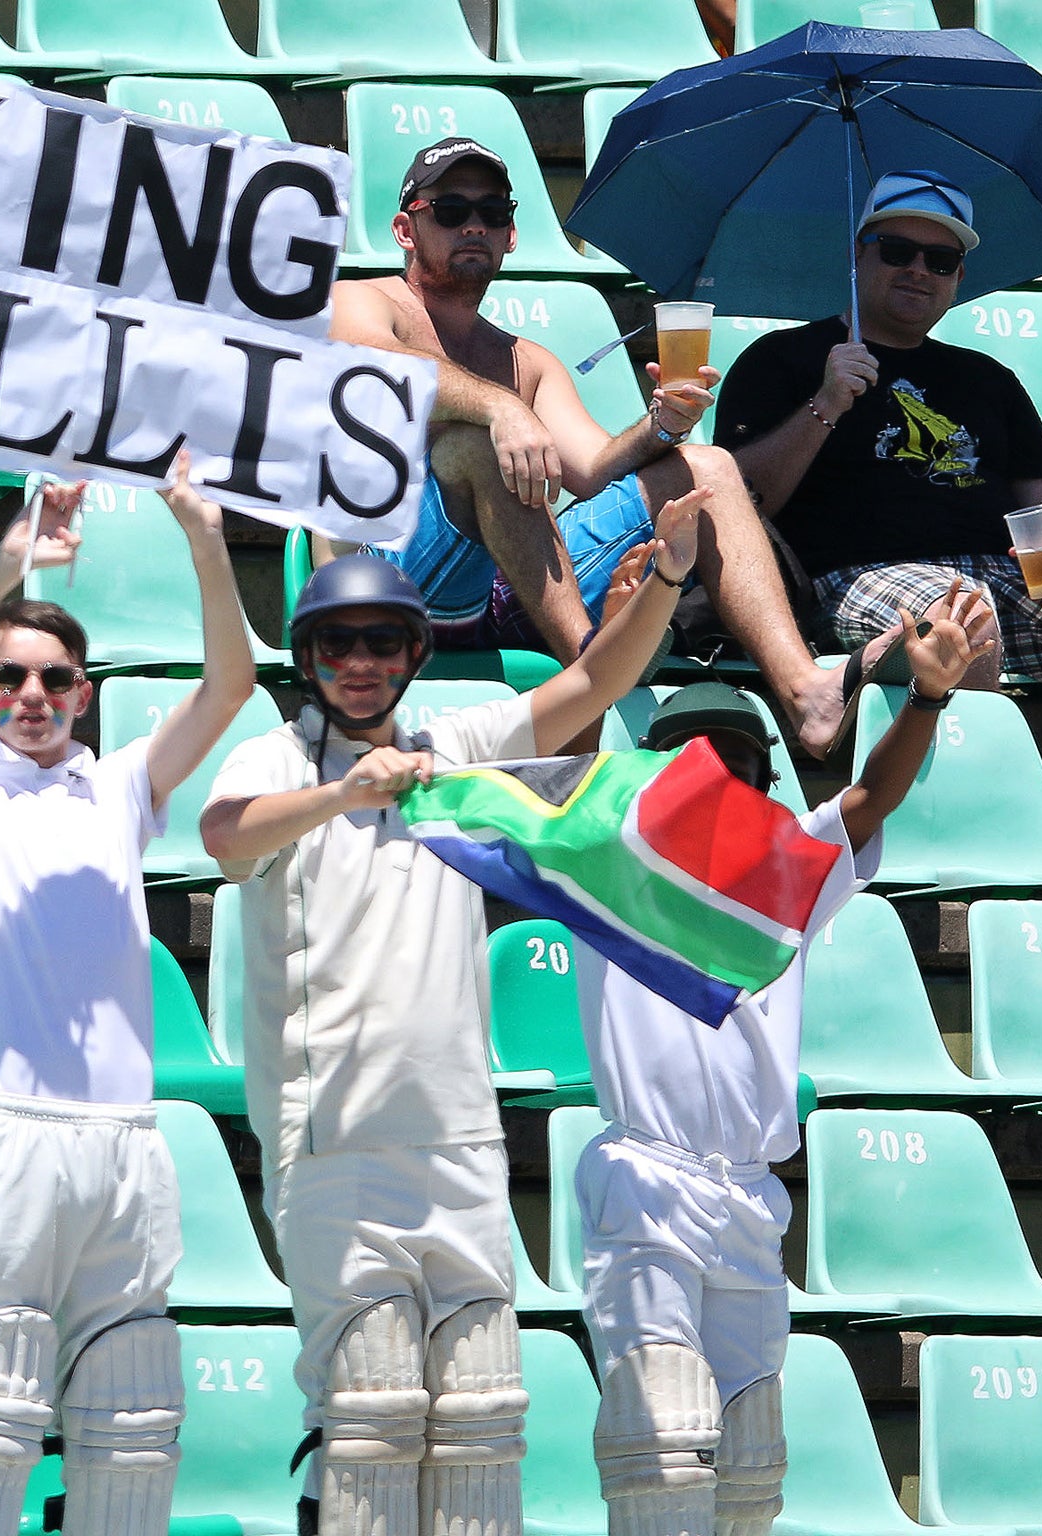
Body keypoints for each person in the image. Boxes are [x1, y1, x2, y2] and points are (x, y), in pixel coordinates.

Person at [200, 483, 703, 1536]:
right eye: (336, 644)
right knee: (372, 1410)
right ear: (306, 656)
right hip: (331, 1140)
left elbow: (599, 676)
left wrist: (665, 573)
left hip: (458, 1144)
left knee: (479, 1420)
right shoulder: (279, 758)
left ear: (413, 652)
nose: (360, 662)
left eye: (383, 640)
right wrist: (349, 793)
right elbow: (224, 836)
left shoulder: (454, 741)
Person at [0, 454, 254, 1536]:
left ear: (83, 694)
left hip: (126, 1144)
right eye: (8, 679)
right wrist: (9, 559)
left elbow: (230, 686)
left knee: (132, 1434)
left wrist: (201, 535)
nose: (31, 697)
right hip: (10, 1141)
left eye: (53, 680)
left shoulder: (119, 787)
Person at [571, 585, 987, 1536]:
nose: (720, 781)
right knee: (662, 1448)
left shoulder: (784, 867)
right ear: (656, 780)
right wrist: (626, 621)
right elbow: (562, 730)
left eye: (742, 766)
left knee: (749, 1468)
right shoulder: (606, 863)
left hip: (751, 1199)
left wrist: (924, 700)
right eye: (698, 762)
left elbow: (871, 796)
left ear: (762, 785)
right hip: (646, 1183)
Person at [326, 135, 862, 758]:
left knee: (707, 469)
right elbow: (369, 361)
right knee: (477, 445)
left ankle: (807, 694)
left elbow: (590, 468)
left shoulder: (526, 359)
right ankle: (595, 663)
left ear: (512, 235)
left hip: (504, 583)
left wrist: (661, 425)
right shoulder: (361, 301)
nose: (474, 225)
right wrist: (501, 408)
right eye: (450, 211)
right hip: (384, 576)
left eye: (493, 213)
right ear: (405, 229)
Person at [716, 169, 1042, 869]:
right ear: (858, 255)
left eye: (940, 261)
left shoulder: (986, 378)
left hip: (1009, 576)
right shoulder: (783, 361)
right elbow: (738, 505)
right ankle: (977, 835)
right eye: (897, 250)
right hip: (857, 578)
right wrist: (825, 404)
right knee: (966, 621)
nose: (918, 270)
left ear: (958, 277)